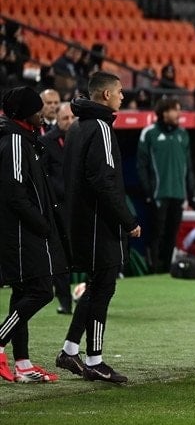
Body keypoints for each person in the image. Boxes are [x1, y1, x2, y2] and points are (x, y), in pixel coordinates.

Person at [56, 72, 142, 384]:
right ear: (106, 95)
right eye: (119, 91)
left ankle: (69, 350)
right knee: (103, 288)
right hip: (98, 224)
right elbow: (104, 181)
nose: (123, 96)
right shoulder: (101, 127)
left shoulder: (77, 126)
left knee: (95, 287)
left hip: (82, 221)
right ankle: (95, 360)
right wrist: (127, 219)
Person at [0, 87, 69, 383]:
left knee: (23, 293)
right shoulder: (15, 141)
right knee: (41, 291)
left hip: (25, 229)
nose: (42, 113)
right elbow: (15, 194)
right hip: (21, 232)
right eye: (37, 108)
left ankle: (23, 364)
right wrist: (41, 224)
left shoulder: (25, 138)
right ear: (24, 113)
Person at [137, 97, 193, 274]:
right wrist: (148, 192)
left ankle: (167, 270)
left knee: (172, 234)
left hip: (178, 194)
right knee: (156, 234)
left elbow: (188, 167)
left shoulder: (183, 134)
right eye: (175, 110)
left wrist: (189, 192)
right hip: (158, 194)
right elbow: (141, 165)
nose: (179, 113)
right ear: (164, 112)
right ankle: (153, 270)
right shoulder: (149, 133)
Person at [42, 102, 75, 315]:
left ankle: (90, 298)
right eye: (65, 118)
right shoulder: (47, 142)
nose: (70, 122)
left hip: (80, 206)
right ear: (57, 120)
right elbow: (44, 176)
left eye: (72, 118)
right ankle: (65, 301)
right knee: (61, 257)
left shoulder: (83, 139)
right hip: (58, 208)